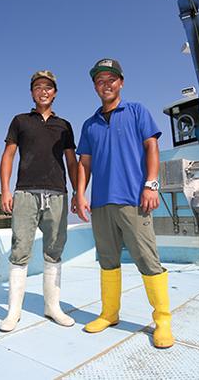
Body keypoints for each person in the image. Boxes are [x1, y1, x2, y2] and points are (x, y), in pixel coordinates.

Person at [74, 58, 174, 348]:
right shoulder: (89, 124)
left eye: (111, 79)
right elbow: (84, 163)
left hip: (134, 199)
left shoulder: (137, 111)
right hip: (101, 203)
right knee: (107, 260)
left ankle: (163, 320)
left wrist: (151, 184)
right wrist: (80, 194)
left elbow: (152, 147)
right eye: (100, 81)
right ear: (95, 86)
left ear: (121, 82)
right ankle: (109, 313)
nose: (106, 85)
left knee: (147, 260)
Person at [0, 70, 78, 332]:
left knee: (54, 250)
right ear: (32, 92)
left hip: (57, 193)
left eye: (48, 87)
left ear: (55, 92)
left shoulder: (64, 125)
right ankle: (14, 311)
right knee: (20, 250)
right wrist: (5, 190)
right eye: (38, 87)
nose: (43, 91)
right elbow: (8, 155)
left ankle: (52, 307)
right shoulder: (20, 121)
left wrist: (78, 192)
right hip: (25, 193)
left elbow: (71, 161)